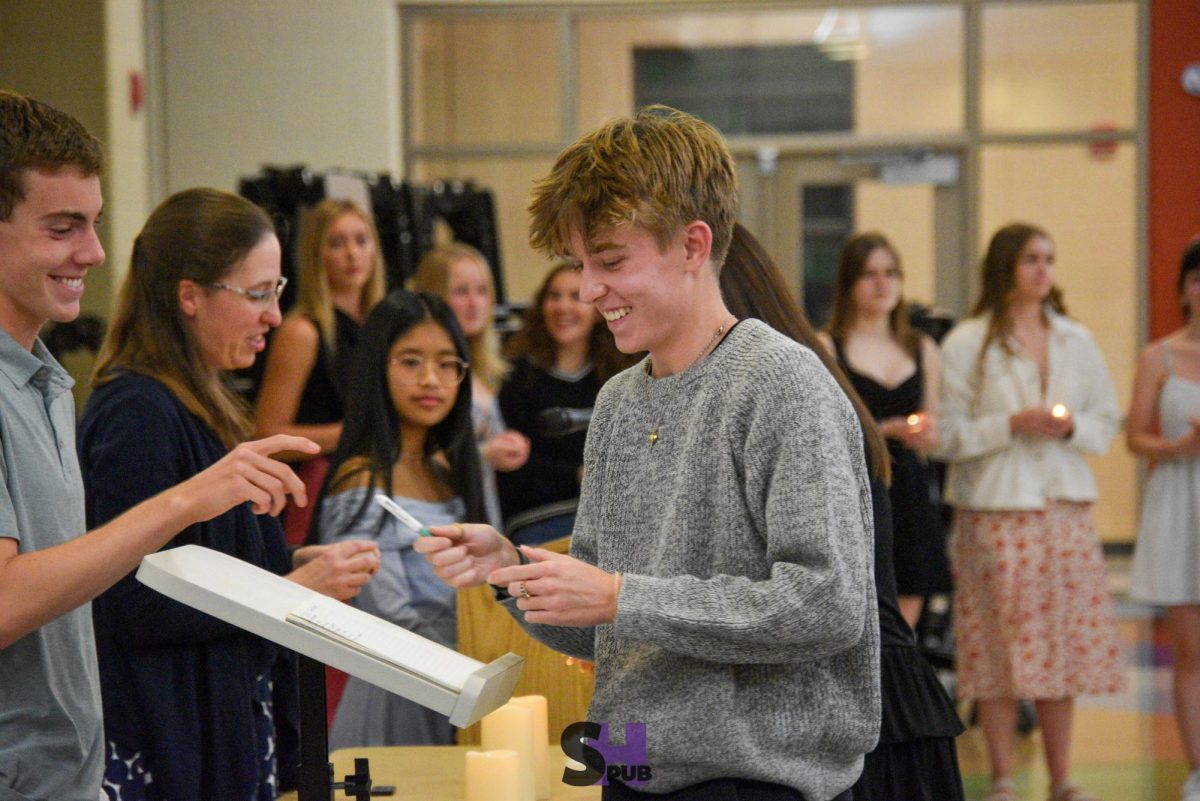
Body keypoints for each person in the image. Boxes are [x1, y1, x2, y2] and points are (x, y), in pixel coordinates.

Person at [417, 105, 879, 801]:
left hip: (755, 781)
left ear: (694, 245)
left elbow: (827, 602)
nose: (589, 288)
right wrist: (514, 573)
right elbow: (608, 630)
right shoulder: (618, 402)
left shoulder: (781, 383)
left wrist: (622, 595)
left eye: (610, 261)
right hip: (629, 770)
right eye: (579, 265)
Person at [0, 90, 316, 801]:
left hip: (68, 770)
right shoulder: (131, 405)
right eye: (62, 227)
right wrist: (189, 503)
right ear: (190, 295)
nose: (94, 251)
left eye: (94, 223)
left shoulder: (46, 381)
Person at [78, 188, 381, 801]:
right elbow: (125, 601)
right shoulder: (137, 412)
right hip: (169, 740)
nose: (274, 314)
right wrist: (289, 594)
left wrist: (299, 562)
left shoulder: (203, 401)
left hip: (221, 722)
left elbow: (208, 562)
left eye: (278, 289)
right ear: (190, 296)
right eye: (258, 293)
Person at [721, 222, 964, 801]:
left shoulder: (797, 396)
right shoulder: (815, 372)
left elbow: (821, 600)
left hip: (873, 711)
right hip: (857, 701)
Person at [937, 222, 1124, 801]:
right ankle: (1001, 776)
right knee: (995, 644)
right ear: (1004, 268)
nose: (1043, 270)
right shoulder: (968, 342)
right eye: (1029, 260)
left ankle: (1063, 777)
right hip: (996, 508)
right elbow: (946, 434)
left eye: (1048, 258)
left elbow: (1105, 418)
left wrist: (1071, 427)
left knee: (1061, 645)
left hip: (1062, 506)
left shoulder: (1075, 339)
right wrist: (1008, 425)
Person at [314, 289, 485, 748]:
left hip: (463, 685)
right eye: (411, 362)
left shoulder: (447, 470)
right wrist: (472, 675)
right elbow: (389, 619)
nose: (431, 379)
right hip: (404, 692)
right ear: (377, 368)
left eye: (447, 364)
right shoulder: (360, 478)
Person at [820, 232, 950, 630]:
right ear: (849, 284)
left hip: (909, 484)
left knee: (911, 597)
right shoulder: (829, 346)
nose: (883, 283)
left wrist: (925, 432)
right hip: (858, 485)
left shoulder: (921, 347)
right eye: (870, 274)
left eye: (891, 273)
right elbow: (823, 429)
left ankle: (899, 677)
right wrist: (880, 430)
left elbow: (936, 426)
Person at [255, 198, 387, 544]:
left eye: (361, 240)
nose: (352, 254)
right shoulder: (302, 331)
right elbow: (267, 434)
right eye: (337, 243)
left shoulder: (384, 325)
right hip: (319, 494)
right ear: (317, 255)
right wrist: (354, 432)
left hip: (377, 487)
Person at [1127, 239, 1200, 801]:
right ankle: (1197, 767)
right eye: (1197, 278)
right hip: (1180, 499)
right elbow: (1135, 436)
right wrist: (1177, 447)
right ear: (1183, 289)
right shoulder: (1158, 356)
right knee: (1191, 650)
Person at [496, 260, 631, 542]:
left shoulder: (621, 377)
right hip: (540, 520)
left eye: (576, 296)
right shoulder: (516, 378)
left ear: (598, 310)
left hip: (611, 517)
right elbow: (515, 470)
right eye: (553, 296)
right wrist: (577, 476)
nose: (562, 307)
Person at [410, 242, 528, 528]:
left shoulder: (485, 368)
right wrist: (486, 453)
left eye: (482, 290)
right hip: (439, 517)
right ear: (435, 297)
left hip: (484, 514)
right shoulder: (422, 371)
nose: (475, 303)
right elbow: (414, 460)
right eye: (461, 292)